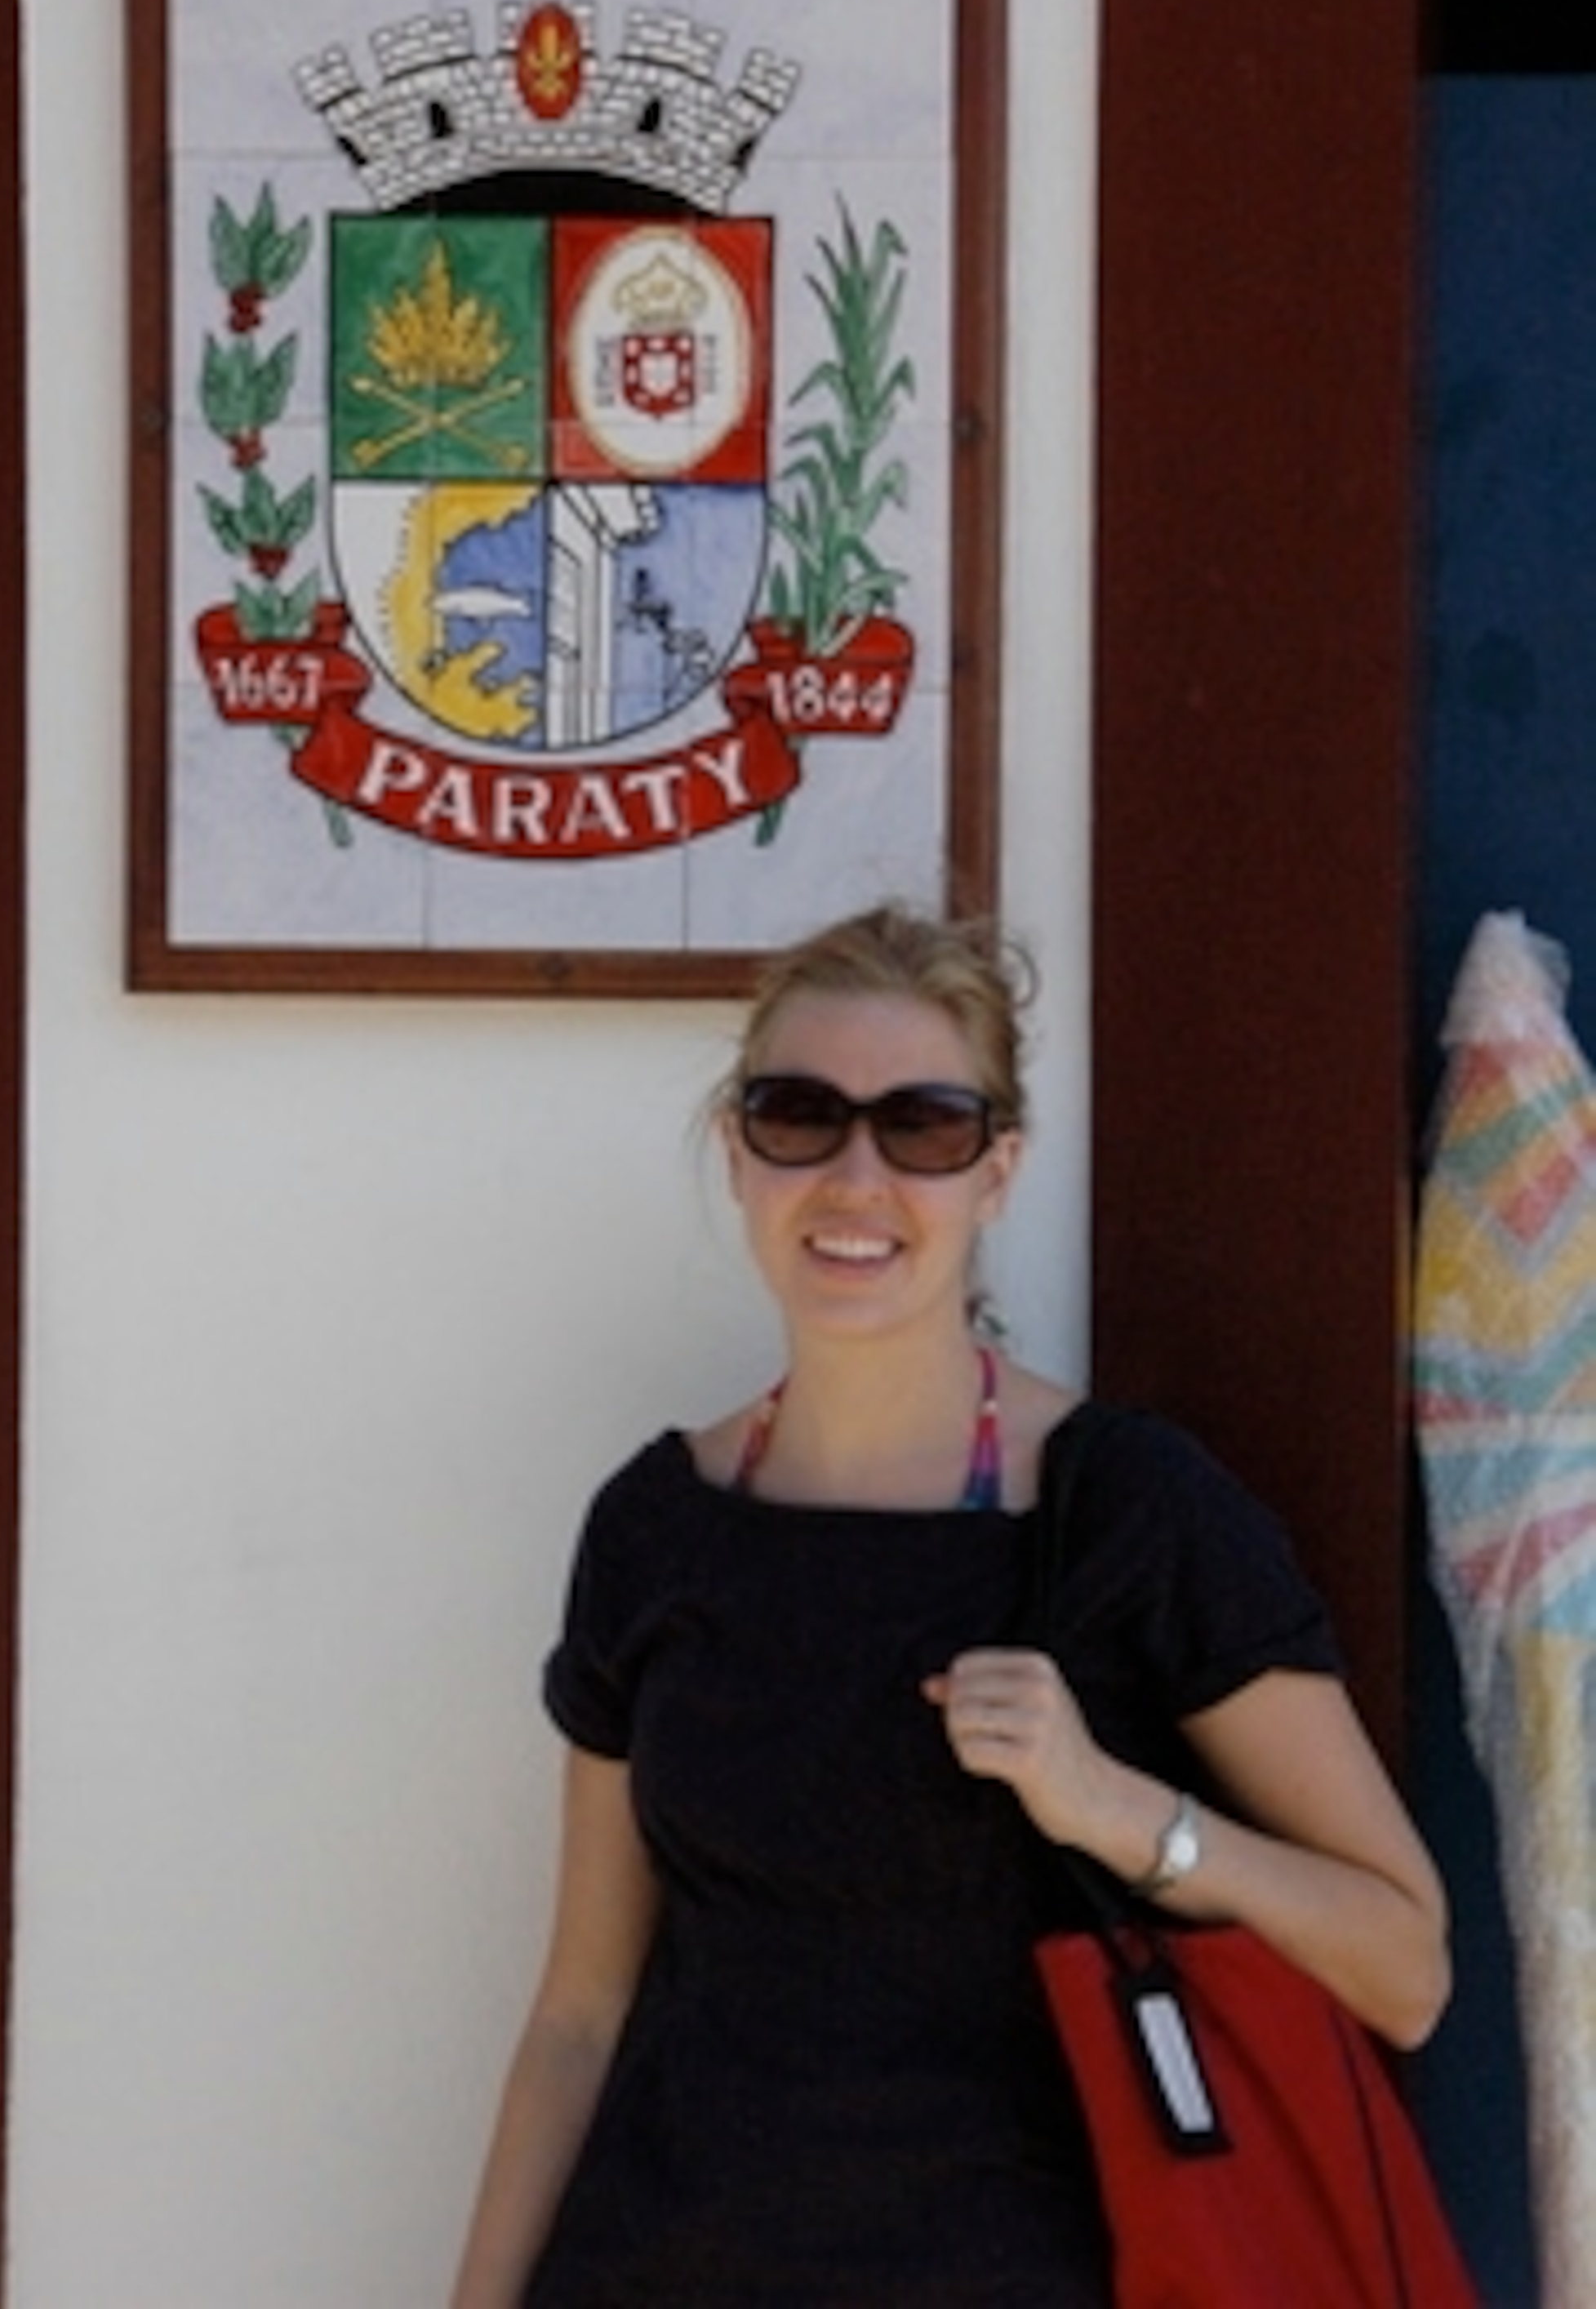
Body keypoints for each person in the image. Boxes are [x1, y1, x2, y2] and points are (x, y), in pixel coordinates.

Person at [449, 901, 1451, 2307]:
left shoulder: (1128, 1511)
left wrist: (1117, 1811)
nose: (856, 1177)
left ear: (999, 1170)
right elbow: (579, 2014)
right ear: (738, 1152)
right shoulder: (656, 1528)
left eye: (923, 1127)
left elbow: (1404, 1966)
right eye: (800, 1117)